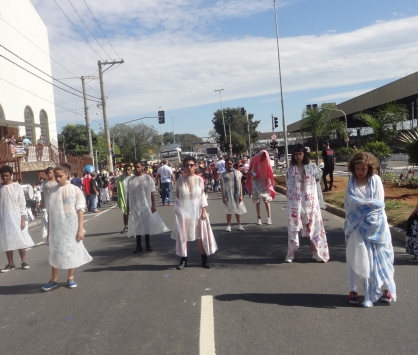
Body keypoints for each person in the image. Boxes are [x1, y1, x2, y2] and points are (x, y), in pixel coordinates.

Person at [344, 152, 396, 307]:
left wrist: (363, 209)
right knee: (355, 256)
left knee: (383, 257)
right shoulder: (351, 183)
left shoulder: (376, 181)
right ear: (353, 168)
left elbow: (379, 205)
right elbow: (350, 205)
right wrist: (364, 207)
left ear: (369, 168)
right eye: (358, 168)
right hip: (355, 226)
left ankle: (386, 289)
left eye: (363, 168)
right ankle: (353, 289)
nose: (360, 171)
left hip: (377, 225)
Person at [41, 164, 92, 291]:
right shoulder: (52, 191)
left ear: (67, 175)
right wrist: (49, 231)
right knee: (55, 251)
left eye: (60, 176)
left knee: (71, 250)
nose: (58, 179)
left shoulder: (75, 190)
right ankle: (54, 279)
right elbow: (50, 213)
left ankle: (70, 277)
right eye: (56, 176)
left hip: (71, 226)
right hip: (56, 226)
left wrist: (80, 229)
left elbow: (80, 210)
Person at [285, 144, 329, 263]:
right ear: (293, 156)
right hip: (295, 203)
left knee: (313, 228)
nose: (298, 156)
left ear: (304, 154)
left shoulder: (311, 168)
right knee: (294, 228)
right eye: (296, 154)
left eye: (300, 153)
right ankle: (291, 253)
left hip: (310, 202)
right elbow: (289, 188)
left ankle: (316, 252)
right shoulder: (290, 170)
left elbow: (317, 181)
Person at [171, 155, 217, 270]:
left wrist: (204, 211)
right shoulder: (180, 181)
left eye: (191, 165)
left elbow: (202, 196)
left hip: (198, 212)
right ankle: (183, 260)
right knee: (184, 236)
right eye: (187, 165)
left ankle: (204, 259)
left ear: (195, 166)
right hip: (185, 212)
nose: (189, 167)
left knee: (201, 237)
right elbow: (178, 199)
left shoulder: (199, 179)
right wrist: (179, 213)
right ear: (184, 167)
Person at [127, 161, 169, 253]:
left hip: (146, 205)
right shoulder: (131, 180)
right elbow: (128, 194)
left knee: (146, 225)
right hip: (135, 206)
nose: (137, 169)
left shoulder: (147, 178)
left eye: (138, 167)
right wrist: (128, 207)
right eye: (135, 167)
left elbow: (152, 192)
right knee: (137, 226)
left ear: (142, 167)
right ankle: (138, 246)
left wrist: (153, 205)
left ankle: (148, 244)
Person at [0, 165, 34, 272]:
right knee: (7, 240)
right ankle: (10, 263)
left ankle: (23, 261)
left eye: (6, 175)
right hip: (3, 218)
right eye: (2, 176)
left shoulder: (17, 186)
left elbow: (22, 203)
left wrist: (22, 219)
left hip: (17, 217)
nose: (4, 178)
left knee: (20, 239)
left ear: (11, 175)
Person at [245, 150, 275, 225]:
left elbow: (270, 171)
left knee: (266, 200)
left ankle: (269, 217)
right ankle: (259, 218)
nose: (263, 158)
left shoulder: (267, 161)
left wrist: (269, 179)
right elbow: (250, 170)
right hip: (255, 182)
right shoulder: (255, 159)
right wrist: (252, 175)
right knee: (257, 201)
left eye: (265, 157)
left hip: (264, 182)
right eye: (262, 156)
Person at [220, 157, 246, 231]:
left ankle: (239, 225)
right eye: (227, 164)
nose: (229, 165)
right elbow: (222, 186)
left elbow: (240, 184)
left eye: (230, 164)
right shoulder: (223, 175)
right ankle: (228, 226)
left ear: (233, 164)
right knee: (229, 210)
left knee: (238, 210)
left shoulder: (238, 173)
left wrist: (241, 195)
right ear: (225, 164)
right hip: (227, 194)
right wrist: (223, 197)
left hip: (236, 194)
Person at [41, 167, 57, 239]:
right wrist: (43, 202)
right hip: (49, 203)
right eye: (48, 174)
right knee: (50, 220)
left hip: (57, 203)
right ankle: (50, 235)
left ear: (54, 173)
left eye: (50, 173)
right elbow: (43, 193)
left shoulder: (57, 182)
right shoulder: (45, 183)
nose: (49, 175)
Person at [117, 164, 133, 233]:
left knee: (134, 212)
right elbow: (118, 190)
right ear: (123, 170)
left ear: (131, 170)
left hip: (133, 197)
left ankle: (135, 226)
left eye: (128, 170)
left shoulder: (134, 177)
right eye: (126, 170)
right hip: (124, 197)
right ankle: (126, 226)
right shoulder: (120, 179)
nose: (127, 171)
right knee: (125, 213)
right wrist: (118, 200)